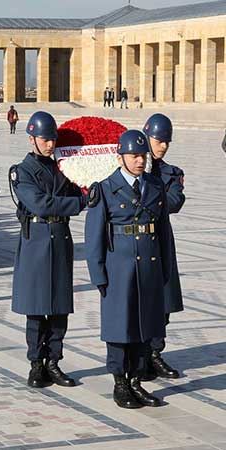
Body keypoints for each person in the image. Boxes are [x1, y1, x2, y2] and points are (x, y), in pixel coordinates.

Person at [85, 129, 172, 409]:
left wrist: (165, 269)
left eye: (143, 156)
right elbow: (94, 235)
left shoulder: (154, 186)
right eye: (134, 156)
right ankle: (120, 384)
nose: (140, 161)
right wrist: (98, 273)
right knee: (120, 328)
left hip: (149, 266)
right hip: (118, 268)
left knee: (144, 326)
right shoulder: (105, 188)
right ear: (120, 156)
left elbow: (164, 233)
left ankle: (136, 380)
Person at [9, 111, 86, 389]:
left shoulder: (63, 167)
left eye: (52, 139)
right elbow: (40, 204)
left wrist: (78, 197)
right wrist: (76, 203)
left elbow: (78, 192)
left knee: (59, 306)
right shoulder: (22, 170)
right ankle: (36, 363)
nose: (50, 144)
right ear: (32, 139)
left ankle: (54, 361)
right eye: (44, 139)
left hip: (59, 237)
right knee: (36, 307)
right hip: (37, 239)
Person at [143, 113, 183, 380]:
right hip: (136, 243)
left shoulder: (171, 173)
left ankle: (155, 353)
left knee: (164, 302)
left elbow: (174, 202)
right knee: (140, 301)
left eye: (167, 141)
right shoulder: (127, 169)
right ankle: (141, 355)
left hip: (161, 241)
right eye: (159, 140)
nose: (163, 146)